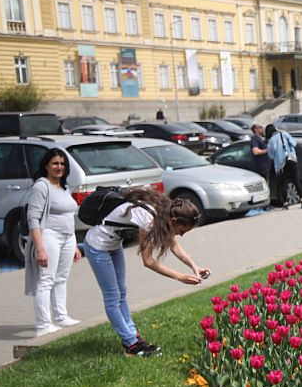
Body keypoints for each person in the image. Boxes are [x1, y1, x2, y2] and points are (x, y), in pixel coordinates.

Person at [84, 188, 209, 357]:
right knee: (112, 297)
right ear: (173, 220)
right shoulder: (149, 217)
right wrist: (180, 277)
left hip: (113, 246)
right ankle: (131, 344)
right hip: (97, 247)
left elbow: (173, 245)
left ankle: (132, 337)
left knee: (122, 292)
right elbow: (148, 261)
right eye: (182, 230)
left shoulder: (166, 211)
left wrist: (194, 266)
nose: (181, 234)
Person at [24, 148, 82, 338]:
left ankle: (61, 316)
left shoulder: (63, 187)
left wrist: (74, 246)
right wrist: (40, 248)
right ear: (46, 165)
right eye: (55, 163)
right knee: (46, 280)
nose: (59, 167)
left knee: (61, 278)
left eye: (62, 164)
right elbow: (32, 218)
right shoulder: (41, 186)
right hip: (49, 237)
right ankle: (43, 324)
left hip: (67, 238)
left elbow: (69, 217)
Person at [265, 124, 302, 209]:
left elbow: (271, 156)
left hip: (280, 164)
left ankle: (286, 203)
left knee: (283, 183)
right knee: (295, 180)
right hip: (291, 159)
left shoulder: (271, 141)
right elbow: (294, 143)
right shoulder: (284, 134)